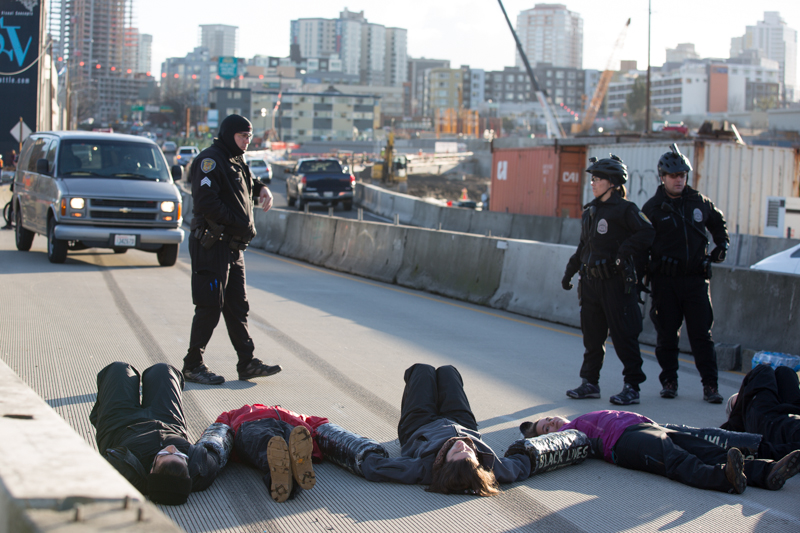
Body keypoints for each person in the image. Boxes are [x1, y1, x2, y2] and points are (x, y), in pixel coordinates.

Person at [184, 113, 279, 385]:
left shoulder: (236, 160)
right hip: (211, 245)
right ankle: (193, 364)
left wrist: (262, 189)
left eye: (249, 136)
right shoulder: (210, 160)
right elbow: (206, 202)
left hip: (233, 248)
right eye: (242, 136)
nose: (247, 141)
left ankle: (247, 362)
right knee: (210, 305)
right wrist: (237, 220)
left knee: (238, 306)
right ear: (228, 134)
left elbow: (246, 184)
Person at [561, 155, 655, 405]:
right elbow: (584, 246)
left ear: (612, 182)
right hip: (590, 284)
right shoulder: (590, 211)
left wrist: (624, 252)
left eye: (598, 178)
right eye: (592, 178)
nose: (593, 183)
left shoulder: (626, 209)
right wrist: (570, 271)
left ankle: (632, 386)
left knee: (624, 337)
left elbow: (647, 232)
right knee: (592, 338)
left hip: (615, 284)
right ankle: (589, 383)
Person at [523, 410, 800, 494]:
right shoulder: (573, 434)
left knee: (707, 449)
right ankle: (725, 480)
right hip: (624, 443)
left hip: (648, 427)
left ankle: (767, 472)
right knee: (676, 460)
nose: (551, 425)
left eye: (547, 420)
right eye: (546, 430)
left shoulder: (579, 416)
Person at [358, 363, 531, 495]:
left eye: (457, 453)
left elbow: (376, 468)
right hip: (462, 424)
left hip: (419, 426)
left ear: (445, 464)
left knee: (422, 370)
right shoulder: (491, 465)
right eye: (469, 453)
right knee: (448, 371)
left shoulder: (424, 468)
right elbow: (521, 466)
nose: (463, 446)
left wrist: (364, 453)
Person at [641, 144, 730, 403]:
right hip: (665, 281)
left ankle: (710, 386)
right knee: (667, 334)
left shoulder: (699, 202)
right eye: (673, 175)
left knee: (702, 335)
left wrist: (722, 245)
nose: (679, 179)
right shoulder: (653, 208)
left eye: (682, 174)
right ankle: (669, 381)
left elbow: (718, 225)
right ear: (663, 177)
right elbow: (639, 244)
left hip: (695, 280)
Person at [89, 362, 229, 505]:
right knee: (162, 371)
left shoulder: (122, 472)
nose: (172, 449)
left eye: (164, 455)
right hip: (168, 422)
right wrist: (226, 426)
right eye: (180, 456)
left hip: (120, 425)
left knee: (118, 370)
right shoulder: (201, 469)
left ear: (151, 471)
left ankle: (99, 415)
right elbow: (218, 444)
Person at [214, 404, 330, 503]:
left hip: (285, 426)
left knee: (285, 445)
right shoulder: (237, 412)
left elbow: (319, 424)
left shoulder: (291, 414)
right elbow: (219, 429)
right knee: (271, 444)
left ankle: (289, 475)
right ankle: (295, 470)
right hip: (252, 425)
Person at [722, 364, 800, 460]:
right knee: (785, 372)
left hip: (770, 423)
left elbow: (780, 453)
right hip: (787, 415)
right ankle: (741, 410)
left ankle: (732, 429)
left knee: (763, 371)